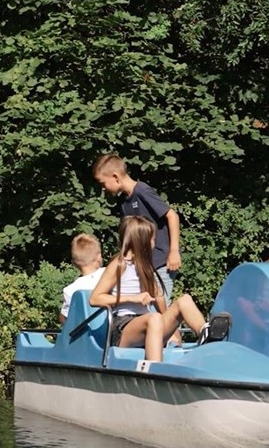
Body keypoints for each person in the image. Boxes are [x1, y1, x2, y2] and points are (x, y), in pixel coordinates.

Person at [90, 216, 230, 362]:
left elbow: (159, 297)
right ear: (142, 241)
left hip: (150, 324)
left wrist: (173, 329)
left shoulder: (145, 266)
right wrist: (132, 298)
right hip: (123, 328)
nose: (154, 243)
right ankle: (155, 367)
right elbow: (95, 298)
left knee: (184, 300)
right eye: (152, 239)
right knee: (154, 318)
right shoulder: (119, 265)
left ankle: (207, 338)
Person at [92, 153, 181, 304]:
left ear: (115, 177)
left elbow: (172, 216)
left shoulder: (142, 191)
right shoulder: (125, 202)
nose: (103, 189)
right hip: (145, 266)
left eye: (103, 183)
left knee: (160, 308)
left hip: (161, 262)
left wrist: (174, 251)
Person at [59, 233, 105, 324]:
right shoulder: (108, 274)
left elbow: (64, 319)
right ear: (99, 257)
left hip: (86, 332)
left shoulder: (70, 290)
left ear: (74, 263)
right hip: (111, 328)